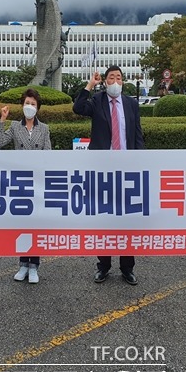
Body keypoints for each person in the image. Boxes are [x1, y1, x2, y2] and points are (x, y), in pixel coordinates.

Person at [73, 66, 144, 285]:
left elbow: (137, 134)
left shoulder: (131, 103)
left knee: (127, 219)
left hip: (127, 168)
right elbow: (78, 108)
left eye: (119, 77)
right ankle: (103, 266)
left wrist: (142, 162)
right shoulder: (97, 100)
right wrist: (89, 85)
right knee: (104, 218)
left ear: (123, 81)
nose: (115, 81)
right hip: (102, 169)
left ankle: (127, 267)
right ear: (105, 81)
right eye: (111, 77)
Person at [0, 88, 52, 284]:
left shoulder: (44, 128)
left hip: (37, 181)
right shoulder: (15, 127)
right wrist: (2, 120)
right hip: (19, 181)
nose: (29, 107)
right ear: (22, 105)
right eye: (27, 103)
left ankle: (34, 265)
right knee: (22, 223)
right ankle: (22, 264)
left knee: (36, 224)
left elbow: (48, 154)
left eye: (33, 104)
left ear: (38, 108)